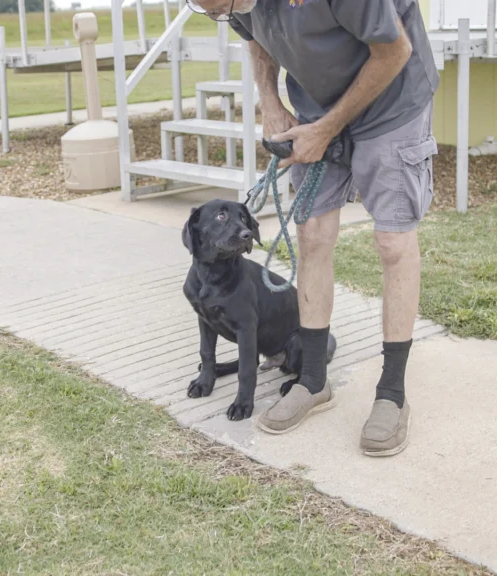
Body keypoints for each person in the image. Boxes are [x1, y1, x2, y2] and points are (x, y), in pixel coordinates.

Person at [187, 0, 439, 457]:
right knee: (313, 237)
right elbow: (256, 40)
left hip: (392, 107)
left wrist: (329, 128)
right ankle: (313, 381)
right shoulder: (233, 4)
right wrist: (271, 103)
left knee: (392, 243)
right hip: (315, 110)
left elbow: (393, 52)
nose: (225, 13)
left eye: (223, 6)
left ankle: (392, 395)